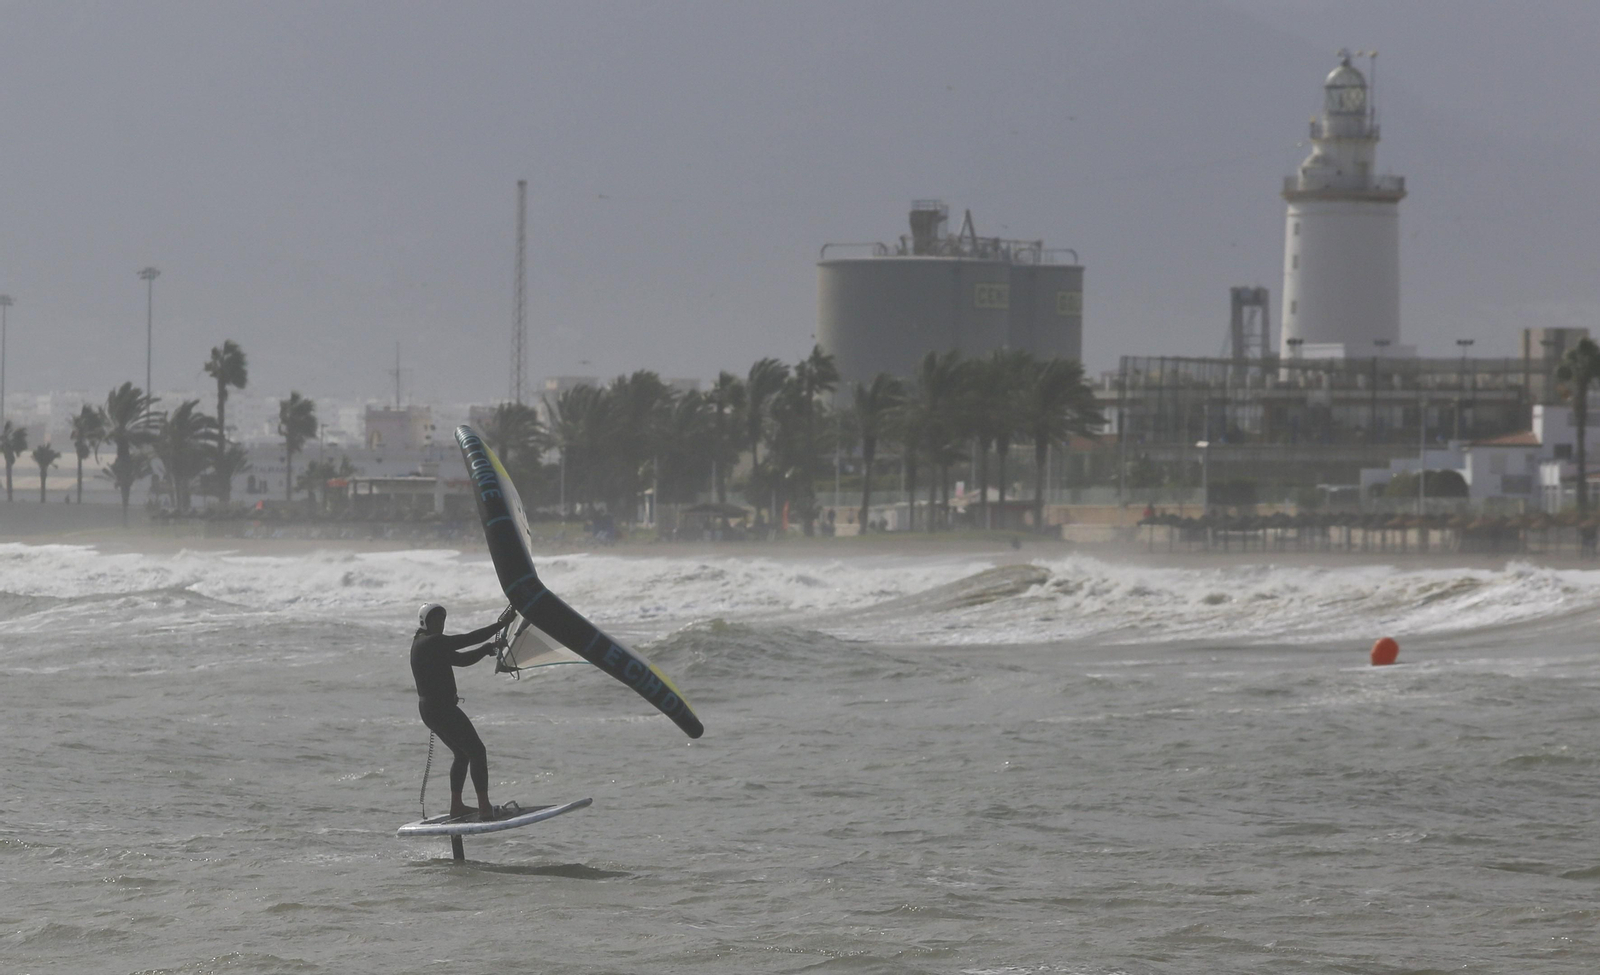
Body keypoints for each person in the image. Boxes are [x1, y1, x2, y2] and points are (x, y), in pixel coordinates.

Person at [411, 602, 516, 820]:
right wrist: (500, 625)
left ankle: (457, 806)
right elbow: (466, 639)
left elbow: (461, 659)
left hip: (432, 709)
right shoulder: (430, 642)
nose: (440, 624)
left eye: (443, 620)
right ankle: (485, 807)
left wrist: (487, 649)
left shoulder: (428, 645)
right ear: (425, 622)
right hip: (440, 709)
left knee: (462, 754)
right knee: (477, 752)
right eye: (436, 621)